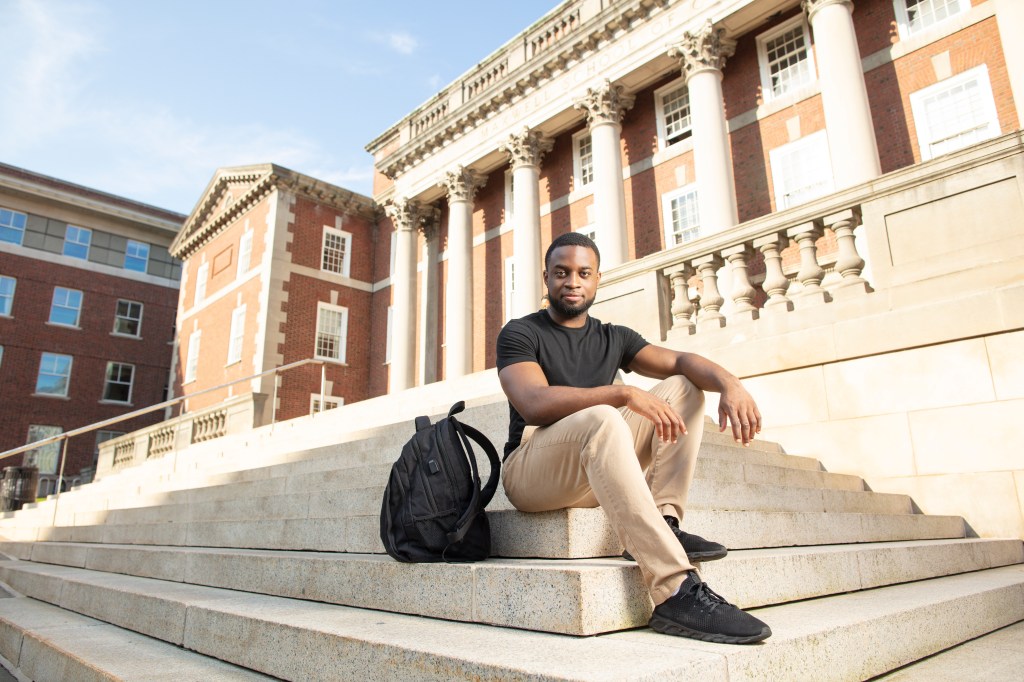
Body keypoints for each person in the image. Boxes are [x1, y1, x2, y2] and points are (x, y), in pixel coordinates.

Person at [496, 232, 771, 644]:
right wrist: (623, 392)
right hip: (531, 471)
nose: (573, 281)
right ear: (547, 279)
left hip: (594, 467)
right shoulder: (520, 333)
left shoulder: (613, 336)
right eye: (562, 273)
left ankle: (665, 521)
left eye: (583, 273)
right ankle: (674, 589)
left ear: (597, 279)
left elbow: (679, 361)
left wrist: (730, 383)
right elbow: (533, 402)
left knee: (684, 387)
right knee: (604, 417)